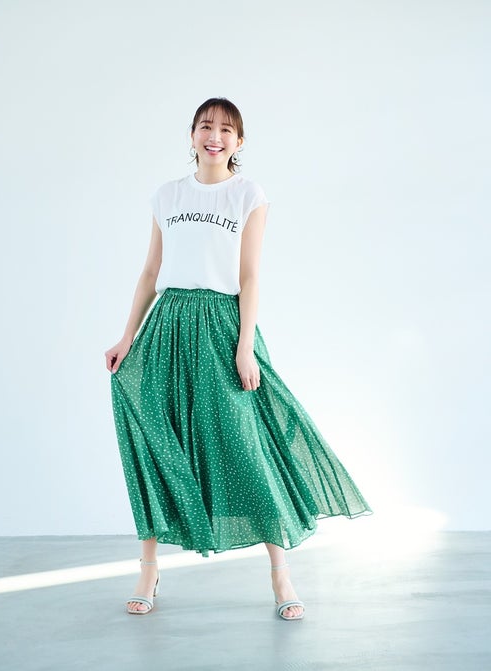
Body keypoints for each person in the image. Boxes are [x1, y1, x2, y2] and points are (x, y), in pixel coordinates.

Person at [105, 97, 372, 621]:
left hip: (223, 324)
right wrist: (127, 336)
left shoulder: (249, 194)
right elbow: (151, 272)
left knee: (248, 444)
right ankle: (148, 569)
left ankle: (281, 574)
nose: (215, 136)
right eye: (206, 126)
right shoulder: (167, 195)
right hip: (168, 324)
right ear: (191, 135)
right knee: (157, 442)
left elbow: (249, 275)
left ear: (239, 141)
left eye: (226, 130)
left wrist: (244, 345)